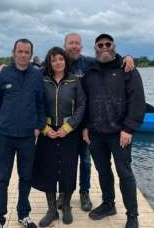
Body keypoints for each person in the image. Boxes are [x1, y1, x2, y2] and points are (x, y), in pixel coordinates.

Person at [59, 32, 135, 212]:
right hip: (64, 121)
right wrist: (5, 68)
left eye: (77, 43)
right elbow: (35, 70)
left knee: (85, 161)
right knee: (65, 160)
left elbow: (109, 59)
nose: (74, 46)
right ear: (65, 45)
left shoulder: (89, 63)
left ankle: (84, 193)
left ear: (82, 46)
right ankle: (63, 192)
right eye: (71, 43)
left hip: (86, 121)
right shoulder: (58, 62)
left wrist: (127, 58)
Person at [82, 33, 145, 228]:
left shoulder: (127, 69)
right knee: (103, 171)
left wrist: (129, 128)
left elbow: (137, 100)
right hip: (96, 133)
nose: (104, 47)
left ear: (114, 46)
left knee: (125, 173)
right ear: (95, 49)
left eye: (108, 44)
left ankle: (132, 215)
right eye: (100, 45)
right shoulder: (89, 72)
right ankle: (109, 204)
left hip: (120, 134)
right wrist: (85, 126)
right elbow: (83, 101)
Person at [0, 38, 45, 228]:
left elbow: (40, 104)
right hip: (5, 135)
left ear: (31, 54)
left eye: (26, 52)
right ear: (14, 53)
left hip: (28, 136)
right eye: (19, 51)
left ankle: (23, 214)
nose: (23, 55)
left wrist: (38, 125)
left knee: (26, 176)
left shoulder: (37, 76)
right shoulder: (4, 74)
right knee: (2, 178)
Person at [32, 47, 86, 226]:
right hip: (48, 132)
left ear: (65, 61)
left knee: (69, 169)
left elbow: (81, 106)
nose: (58, 62)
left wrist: (69, 127)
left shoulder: (74, 81)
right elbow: (36, 106)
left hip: (68, 132)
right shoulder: (41, 80)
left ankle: (67, 206)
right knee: (48, 170)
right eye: (54, 59)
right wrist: (44, 128)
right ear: (49, 62)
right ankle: (52, 209)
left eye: (61, 59)